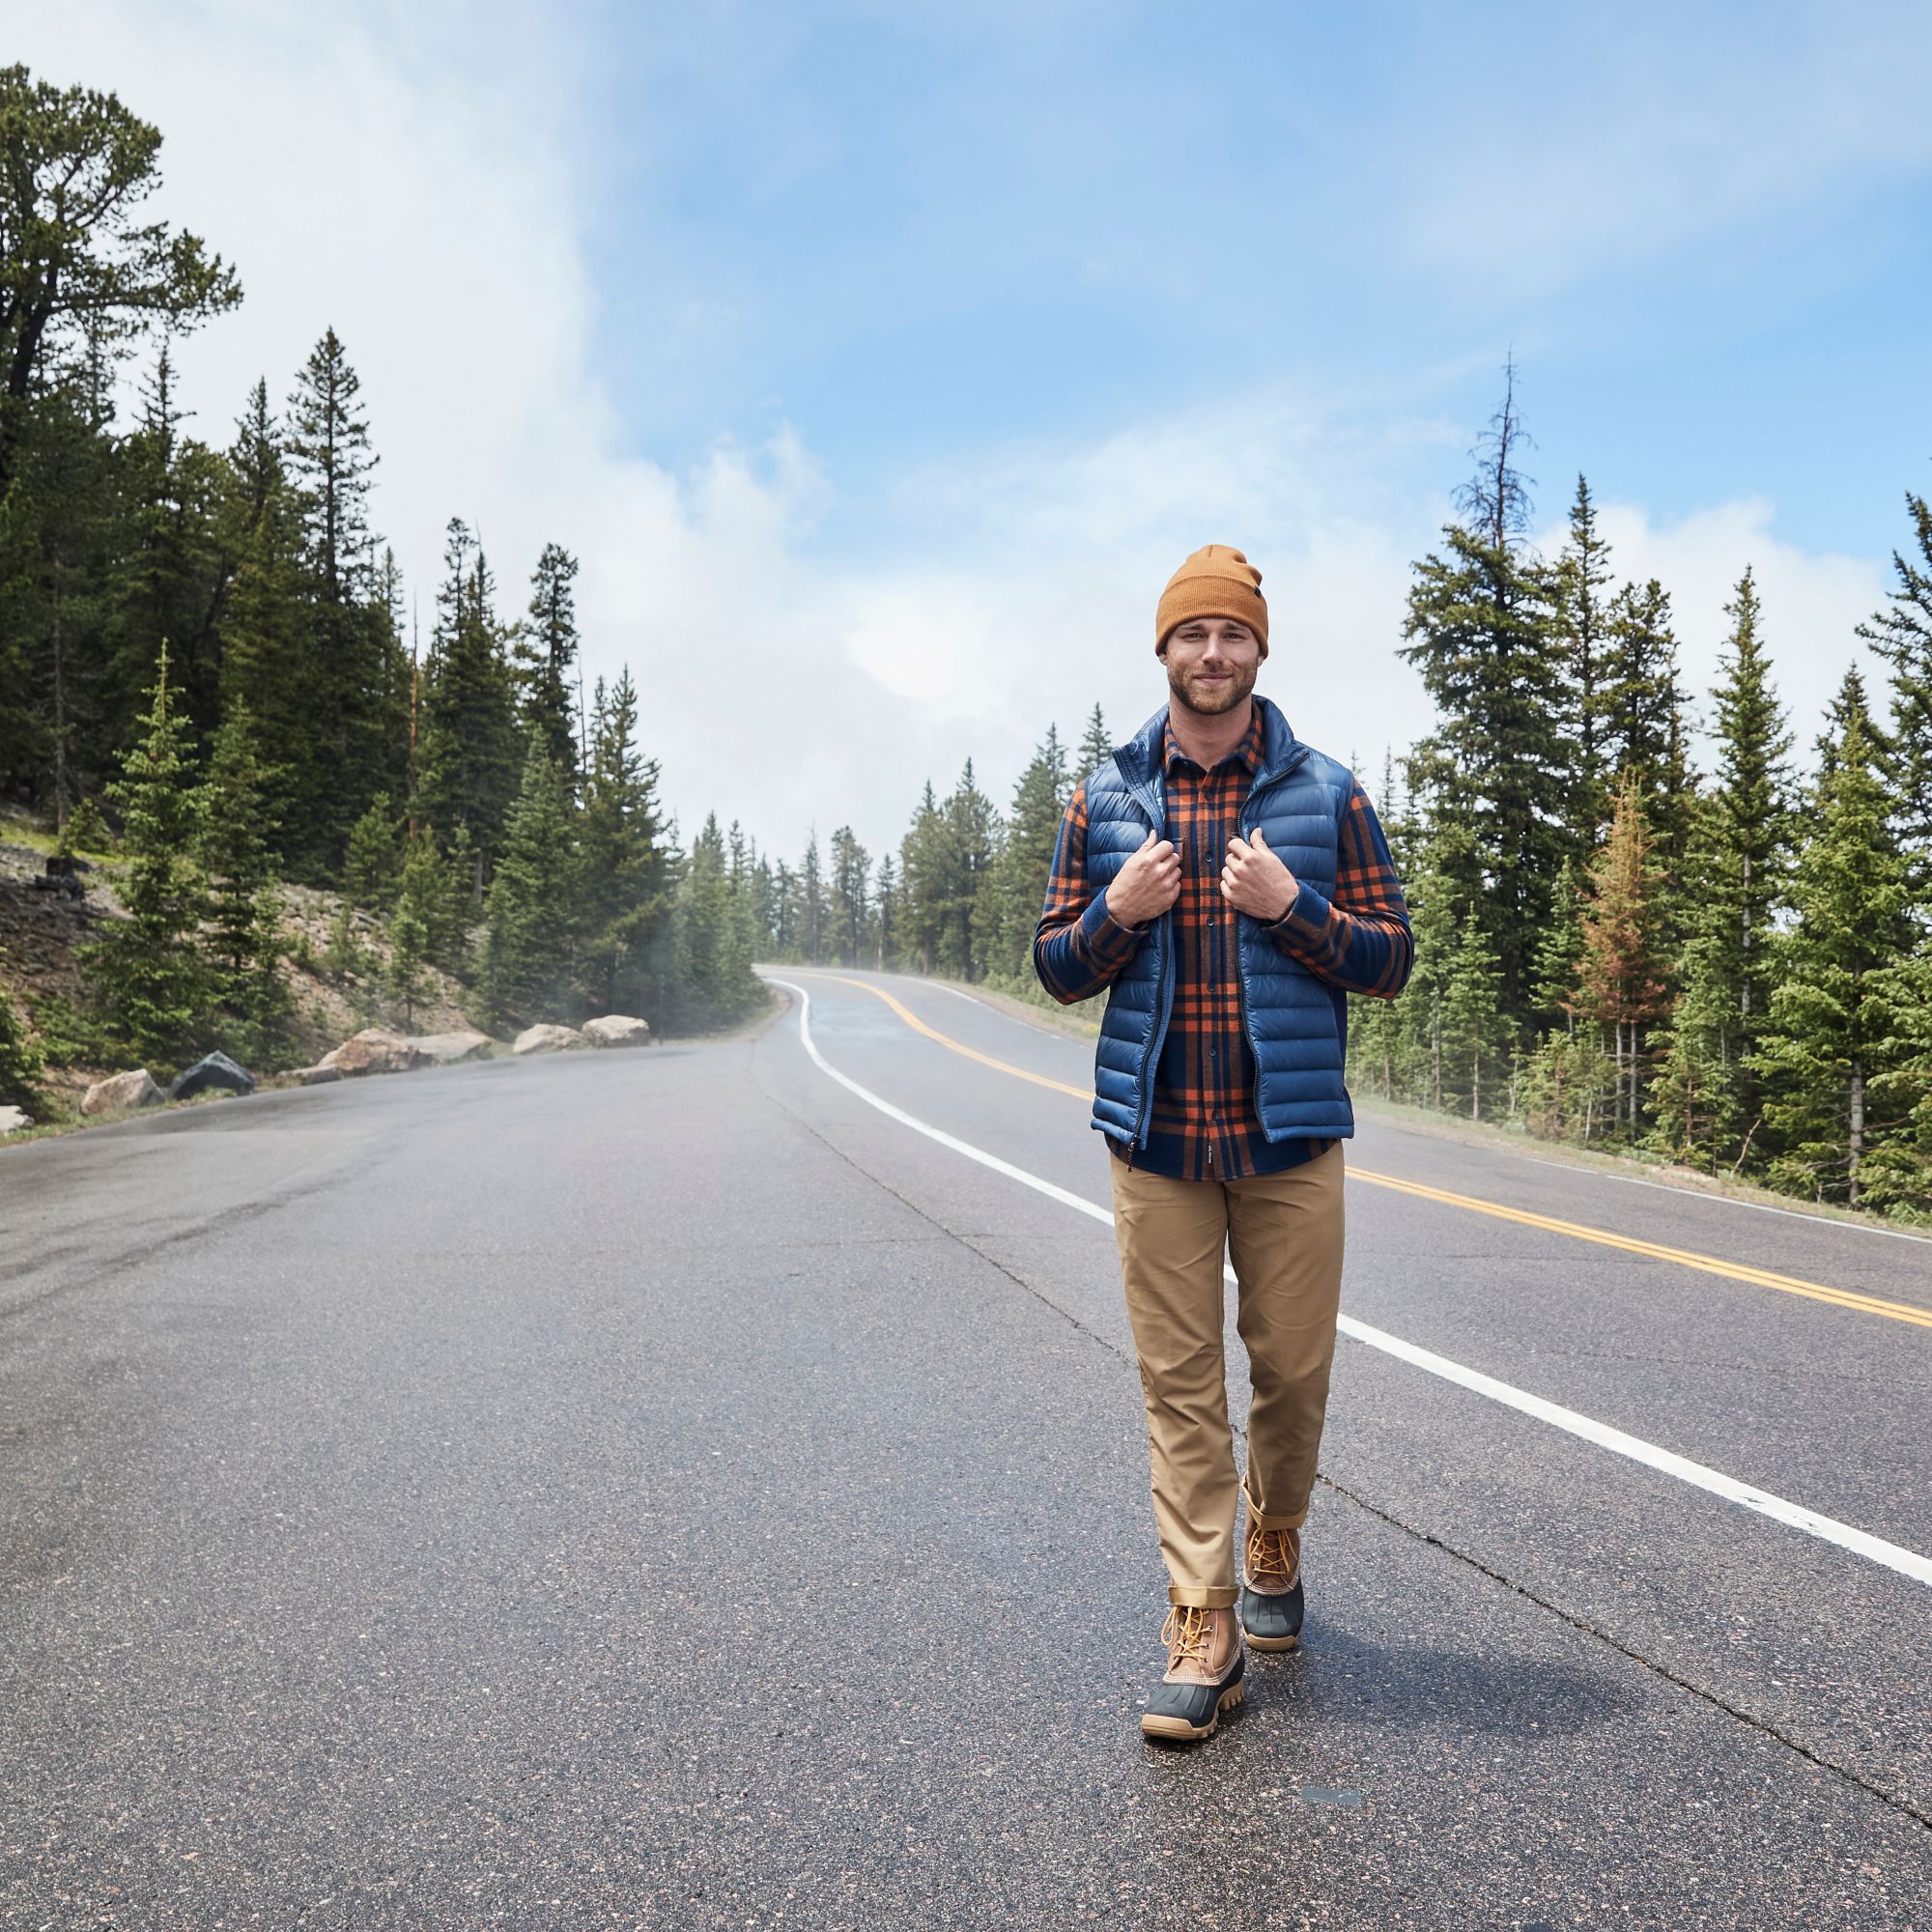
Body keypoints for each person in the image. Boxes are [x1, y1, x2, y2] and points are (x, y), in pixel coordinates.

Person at [1033, 544, 1413, 1745]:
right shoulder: (1103, 801)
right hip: (1155, 1143)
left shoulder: (1327, 795)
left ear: (1258, 651)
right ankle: (1202, 1622)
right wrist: (1114, 912)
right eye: (1190, 635)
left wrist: (1289, 909)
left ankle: (1274, 1528)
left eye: (1231, 635)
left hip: (1289, 1140)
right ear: (1162, 652)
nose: (1211, 654)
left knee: (1291, 1374)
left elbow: (1390, 957)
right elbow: (1052, 964)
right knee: (1178, 1383)